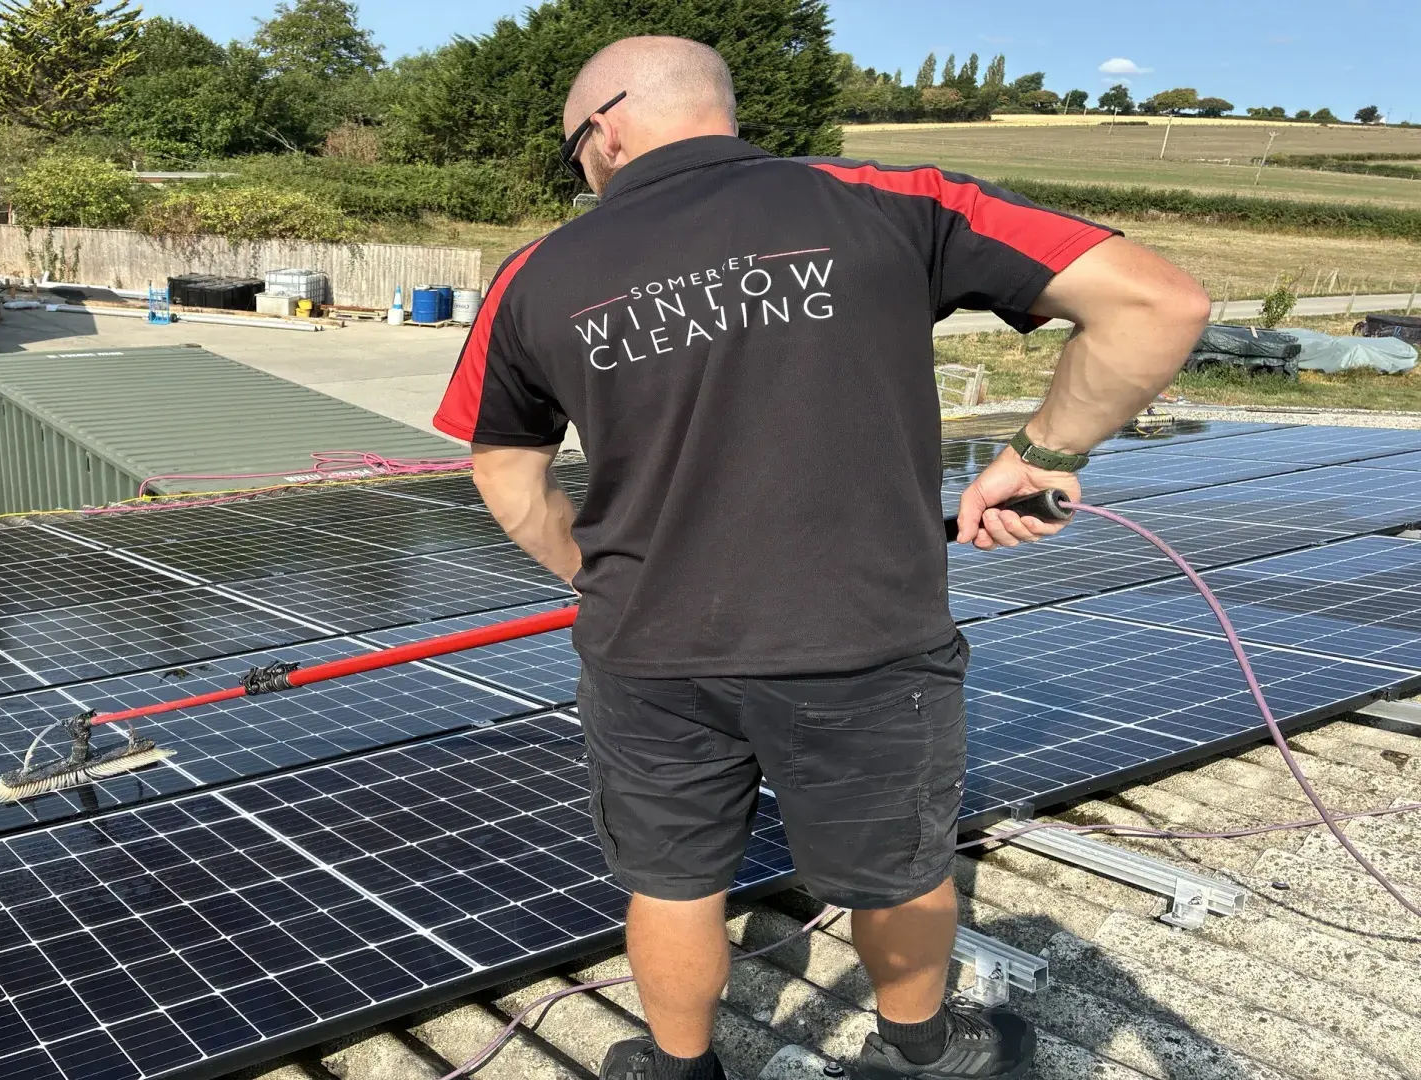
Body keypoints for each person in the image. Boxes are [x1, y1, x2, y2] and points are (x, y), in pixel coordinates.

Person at [432, 35, 1208, 1080]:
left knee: (672, 881)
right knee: (898, 872)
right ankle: (923, 1056)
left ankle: (677, 1069)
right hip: (864, 635)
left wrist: (598, 575)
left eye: (576, 148)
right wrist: (1039, 453)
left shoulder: (537, 273)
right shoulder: (892, 198)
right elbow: (1158, 303)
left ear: (606, 128)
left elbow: (505, 476)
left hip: (647, 647)